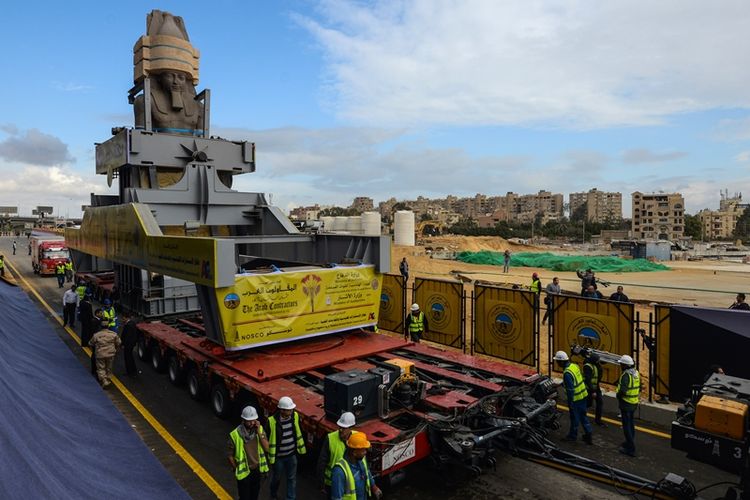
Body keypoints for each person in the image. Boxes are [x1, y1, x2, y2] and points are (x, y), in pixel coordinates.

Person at [267, 396, 306, 500]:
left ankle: (290, 498)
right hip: (278, 457)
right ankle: (273, 494)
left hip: (291, 455)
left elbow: (297, 432)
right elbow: (266, 439)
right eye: (289, 410)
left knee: (291, 478)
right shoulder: (272, 421)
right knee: (277, 478)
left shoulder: (295, 416)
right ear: (282, 410)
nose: (292, 411)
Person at [228, 406, 270, 500]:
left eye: (254, 420)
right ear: (243, 420)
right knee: (244, 497)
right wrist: (236, 469)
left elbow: (267, 449)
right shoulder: (235, 434)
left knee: (254, 497)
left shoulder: (260, 430)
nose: (252, 423)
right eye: (249, 421)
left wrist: (259, 432)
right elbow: (230, 456)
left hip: (257, 471)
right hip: (244, 473)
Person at [553, 351, 592, 444]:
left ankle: (572, 436)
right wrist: (561, 384)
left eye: (557, 361)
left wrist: (570, 402)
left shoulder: (567, 373)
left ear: (562, 362)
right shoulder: (574, 366)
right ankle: (588, 435)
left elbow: (570, 390)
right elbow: (576, 379)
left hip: (575, 399)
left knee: (574, 418)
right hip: (583, 395)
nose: (557, 363)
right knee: (583, 416)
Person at [330, 432, 383, 500]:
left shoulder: (361, 459)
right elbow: (336, 498)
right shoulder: (339, 472)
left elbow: (367, 472)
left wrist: (374, 487)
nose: (365, 452)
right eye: (363, 450)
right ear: (354, 453)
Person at [317, 412, 357, 495]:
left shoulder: (357, 438)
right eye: (340, 427)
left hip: (351, 482)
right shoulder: (330, 438)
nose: (341, 430)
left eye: (344, 428)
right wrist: (321, 484)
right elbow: (321, 462)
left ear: (351, 428)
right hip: (332, 483)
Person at [616, 354, 640, 457]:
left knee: (626, 426)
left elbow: (623, 390)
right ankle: (629, 442)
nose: (620, 365)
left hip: (626, 403)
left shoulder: (626, 375)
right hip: (634, 402)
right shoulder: (636, 373)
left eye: (622, 364)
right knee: (631, 424)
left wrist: (618, 395)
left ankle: (631, 448)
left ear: (625, 365)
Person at [89, 319, 121, 388]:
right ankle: (108, 378)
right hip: (110, 354)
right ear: (108, 326)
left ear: (101, 326)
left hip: (100, 354)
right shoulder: (113, 334)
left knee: (101, 368)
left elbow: (91, 343)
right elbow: (119, 343)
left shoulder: (96, 335)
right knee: (109, 367)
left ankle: (104, 380)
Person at [583, 352, 605, 427]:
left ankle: (598, 420)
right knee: (588, 404)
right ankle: (581, 416)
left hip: (596, 387)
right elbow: (588, 380)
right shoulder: (588, 367)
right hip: (589, 388)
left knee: (600, 403)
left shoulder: (595, 365)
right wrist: (593, 391)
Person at [120, 312, 140, 377]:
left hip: (128, 345)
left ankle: (130, 372)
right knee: (130, 357)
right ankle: (133, 371)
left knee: (128, 358)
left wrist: (123, 344)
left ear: (126, 318)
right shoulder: (132, 323)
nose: (122, 320)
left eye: (123, 318)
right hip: (131, 344)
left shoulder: (128, 325)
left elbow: (127, 337)